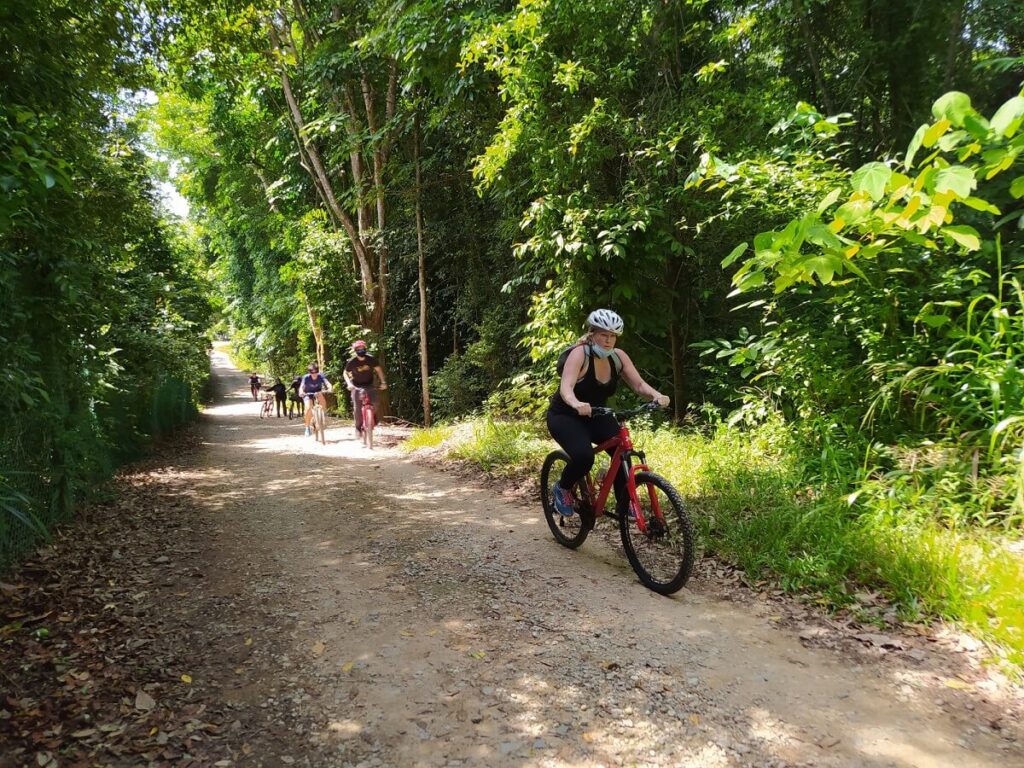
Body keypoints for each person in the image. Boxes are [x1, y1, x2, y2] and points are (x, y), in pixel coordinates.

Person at [545, 309, 670, 517]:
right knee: (584, 457)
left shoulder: (618, 357)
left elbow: (639, 385)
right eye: (604, 334)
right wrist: (576, 403)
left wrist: (657, 395)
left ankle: (624, 502)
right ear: (592, 334)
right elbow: (566, 388)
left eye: (613, 336)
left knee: (622, 452)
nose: (608, 340)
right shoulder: (580, 354)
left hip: (597, 414)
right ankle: (562, 488)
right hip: (565, 415)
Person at [343, 340, 387, 436]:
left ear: (365, 349)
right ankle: (358, 428)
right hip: (356, 385)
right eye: (358, 349)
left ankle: (371, 418)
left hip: (369, 384)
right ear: (355, 351)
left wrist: (383, 382)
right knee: (357, 408)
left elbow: (379, 370)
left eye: (362, 348)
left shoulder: (371, 359)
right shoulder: (352, 361)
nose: (361, 350)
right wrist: (349, 384)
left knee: (375, 402)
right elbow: (345, 373)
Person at [299, 363, 333, 437]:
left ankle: (323, 415)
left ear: (318, 371)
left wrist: (330, 388)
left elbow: (327, 383)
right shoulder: (306, 377)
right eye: (312, 372)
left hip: (318, 392)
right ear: (309, 372)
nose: (314, 374)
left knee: (322, 399)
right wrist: (301, 392)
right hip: (307, 393)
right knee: (308, 408)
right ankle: (307, 427)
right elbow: (301, 386)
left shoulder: (321, 376)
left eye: (316, 372)